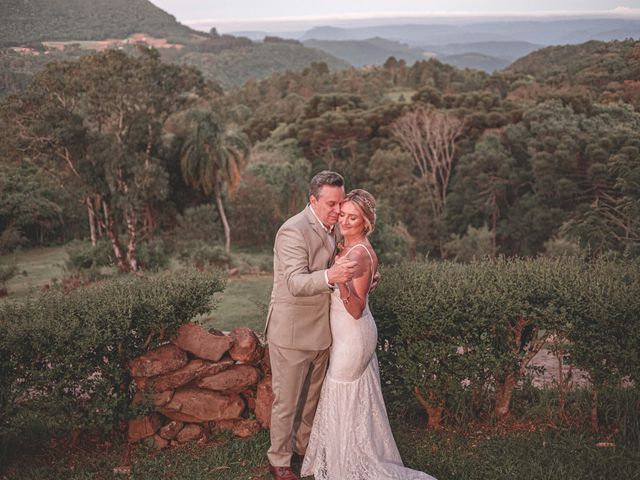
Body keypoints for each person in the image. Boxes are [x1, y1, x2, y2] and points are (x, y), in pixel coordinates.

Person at [301, 189, 437, 480]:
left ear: (366, 223)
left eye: (354, 218)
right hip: (348, 336)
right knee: (349, 399)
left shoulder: (359, 254)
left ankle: (347, 465)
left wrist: (339, 282)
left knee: (342, 395)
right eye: (344, 215)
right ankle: (344, 458)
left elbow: (356, 309)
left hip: (353, 336)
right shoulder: (347, 246)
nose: (346, 222)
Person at [265, 171, 359, 480]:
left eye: (340, 203)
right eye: (331, 204)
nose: (337, 211)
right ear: (313, 200)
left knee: (311, 402)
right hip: (291, 333)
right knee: (287, 402)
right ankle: (279, 461)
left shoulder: (333, 229)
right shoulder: (292, 231)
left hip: (323, 331)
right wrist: (331, 277)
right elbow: (294, 282)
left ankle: (305, 450)